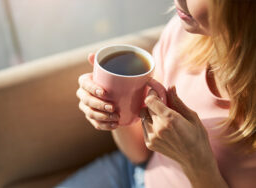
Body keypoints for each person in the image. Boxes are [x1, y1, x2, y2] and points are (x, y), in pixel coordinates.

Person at [57, 0, 256, 187]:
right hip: (135, 174)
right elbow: (139, 153)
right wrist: (111, 105)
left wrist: (196, 163)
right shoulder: (181, 32)